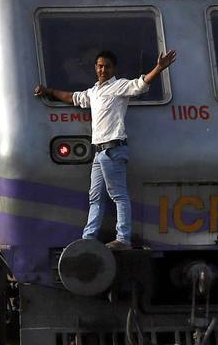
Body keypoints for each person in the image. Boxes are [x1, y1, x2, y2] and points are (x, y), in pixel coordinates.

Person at [34, 48, 177, 249]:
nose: (103, 70)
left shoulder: (119, 86)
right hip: (99, 152)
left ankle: (123, 239)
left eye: (107, 66)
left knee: (119, 195)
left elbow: (140, 85)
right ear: (95, 68)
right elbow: (72, 97)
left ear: (113, 69)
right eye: (100, 66)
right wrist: (48, 92)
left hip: (113, 150)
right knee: (95, 198)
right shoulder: (93, 92)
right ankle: (88, 238)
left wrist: (158, 68)